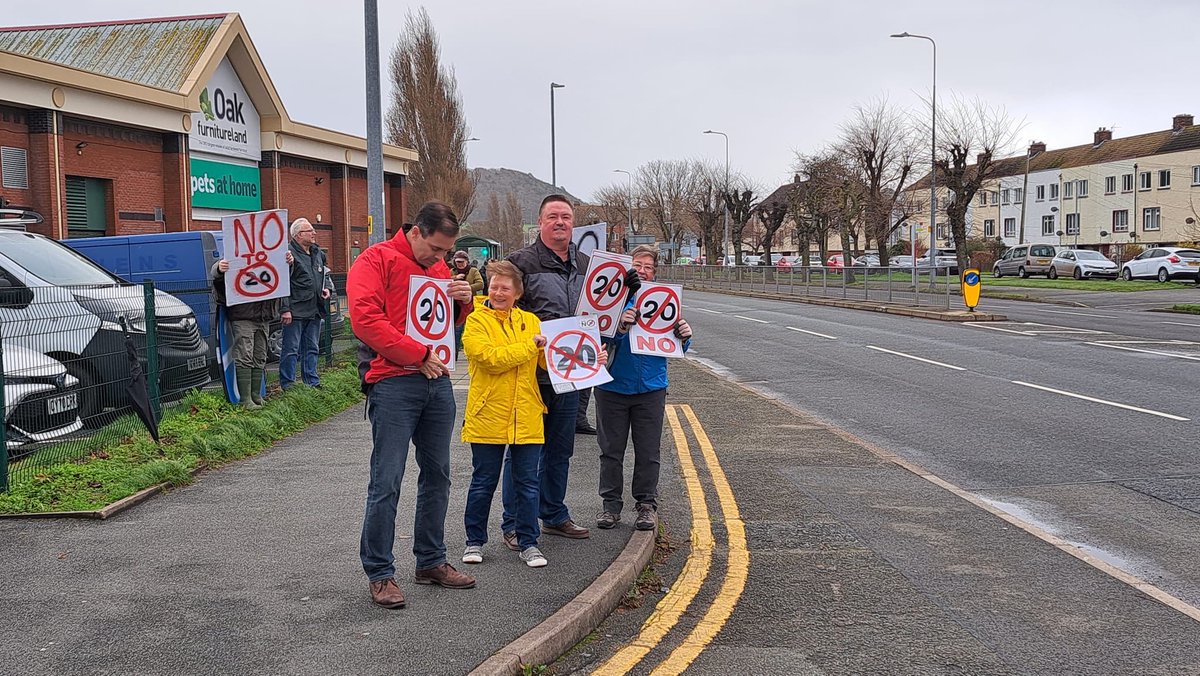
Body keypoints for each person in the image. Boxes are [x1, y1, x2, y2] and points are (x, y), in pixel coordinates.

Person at [348, 202, 477, 609]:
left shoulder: (436, 268)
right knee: (386, 480)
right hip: (394, 382)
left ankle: (431, 560)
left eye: (446, 252)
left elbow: (443, 322)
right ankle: (380, 573)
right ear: (417, 232)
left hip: (434, 381)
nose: (443, 259)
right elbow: (366, 319)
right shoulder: (375, 259)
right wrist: (416, 354)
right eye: (437, 250)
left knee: (438, 474)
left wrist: (463, 300)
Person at [504, 194, 625, 546]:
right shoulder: (520, 262)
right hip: (532, 374)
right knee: (524, 450)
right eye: (553, 216)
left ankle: (553, 514)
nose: (560, 222)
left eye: (566, 217)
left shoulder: (588, 264)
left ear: (573, 223)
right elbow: (509, 315)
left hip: (573, 374)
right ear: (540, 222)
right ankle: (513, 523)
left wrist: (602, 342)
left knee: (561, 449)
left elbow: (599, 315)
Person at [460, 261, 554, 567]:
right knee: (483, 481)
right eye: (494, 286)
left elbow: (548, 364)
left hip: (526, 412)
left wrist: (588, 357)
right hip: (488, 413)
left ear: (517, 292)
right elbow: (490, 359)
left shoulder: (532, 321)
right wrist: (531, 347)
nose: (498, 292)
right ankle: (474, 542)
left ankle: (529, 542)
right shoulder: (476, 321)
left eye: (505, 287)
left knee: (528, 484)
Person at [595, 245, 692, 532]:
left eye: (648, 265)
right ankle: (610, 506)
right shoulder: (611, 298)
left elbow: (675, 345)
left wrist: (684, 336)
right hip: (612, 384)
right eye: (637, 263)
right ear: (628, 266)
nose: (642, 269)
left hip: (651, 385)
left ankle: (646, 504)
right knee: (611, 450)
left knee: (648, 451)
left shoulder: (664, 300)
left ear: (654, 270)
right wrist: (620, 329)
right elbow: (594, 336)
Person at [210, 250, 293, 409]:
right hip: (243, 314)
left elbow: (282, 276)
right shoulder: (237, 253)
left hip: (264, 315)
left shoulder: (269, 254)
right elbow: (217, 272)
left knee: (260, 354)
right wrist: (220, 268)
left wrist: (288, 262)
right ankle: (245, 399)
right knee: (245, 354)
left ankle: (255, 395)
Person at [280, 217, 335, 390]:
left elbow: (325, 274)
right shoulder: (288, 255)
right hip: (295, 310)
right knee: (291, 349)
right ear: (297, 235)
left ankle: (312, 382)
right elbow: (282, 283)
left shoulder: (318, 253)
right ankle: (288, 384)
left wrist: (328, 288)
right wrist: (285, 309)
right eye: (309, 230)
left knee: (312, 347)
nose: (314, 233)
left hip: (315, 309)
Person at [452, 250, 485, 357]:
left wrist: (466, 288)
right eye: (457, 262)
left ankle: (473, 354)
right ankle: (454, 354)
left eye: (461, 262)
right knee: (457, 330)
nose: (459, 264)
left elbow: (480, 284)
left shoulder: (473, 271)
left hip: (471, 303)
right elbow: (444, 282)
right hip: (456, 305)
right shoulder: (452, 272)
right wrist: (454, 278)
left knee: (472, 329)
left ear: (467, 261)